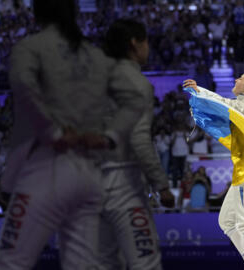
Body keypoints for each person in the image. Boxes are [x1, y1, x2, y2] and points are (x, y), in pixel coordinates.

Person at [0, 0, 144, 269]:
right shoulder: (96, 57)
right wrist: (108, 137)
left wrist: (54, 132)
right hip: (89, 175)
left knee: (9, 262)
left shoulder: (30, 49)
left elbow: (25, 90)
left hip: (45, 167)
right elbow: (134, 100)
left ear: (38, 12)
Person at [91, 18, 174, 270]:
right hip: (123, 185)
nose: (148, 47)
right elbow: (139, 140)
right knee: (146, 262)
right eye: (145, 41)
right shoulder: (137, 85)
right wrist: (161, 185)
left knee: (104, 264)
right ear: (134, 44)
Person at [183, 70, 244, 270]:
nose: (236, 79)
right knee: (226, 221)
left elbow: (227, 106)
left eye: (240, 78)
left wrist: (201, 92)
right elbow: (224, 114)